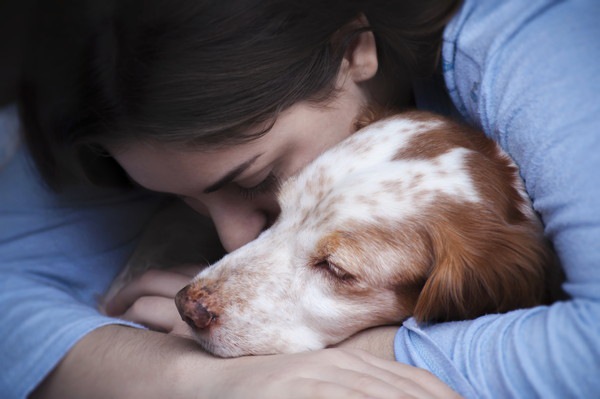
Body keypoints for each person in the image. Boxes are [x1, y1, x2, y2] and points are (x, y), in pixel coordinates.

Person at [1, 0, 598, 398]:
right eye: (177, 196)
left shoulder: (544, 48)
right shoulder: (106, 80)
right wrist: (192, 380)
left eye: (260, 176)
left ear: (353, 50)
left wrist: (364, 361)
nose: (232, 242)